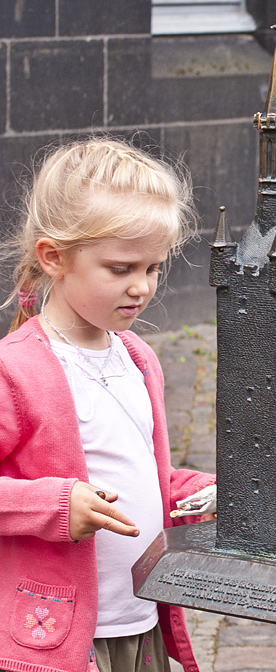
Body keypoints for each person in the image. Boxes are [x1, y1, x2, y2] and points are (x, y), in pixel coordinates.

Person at [0, 138, 217, 672]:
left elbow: (143, 476)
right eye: (121, 269)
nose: (142, 287)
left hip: (141, 622)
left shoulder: (139, 359)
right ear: (54, 258)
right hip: (59, 638)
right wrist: (54, 507)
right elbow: (66, 496)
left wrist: (197, 492)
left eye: (154, 268)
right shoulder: (16, 369)